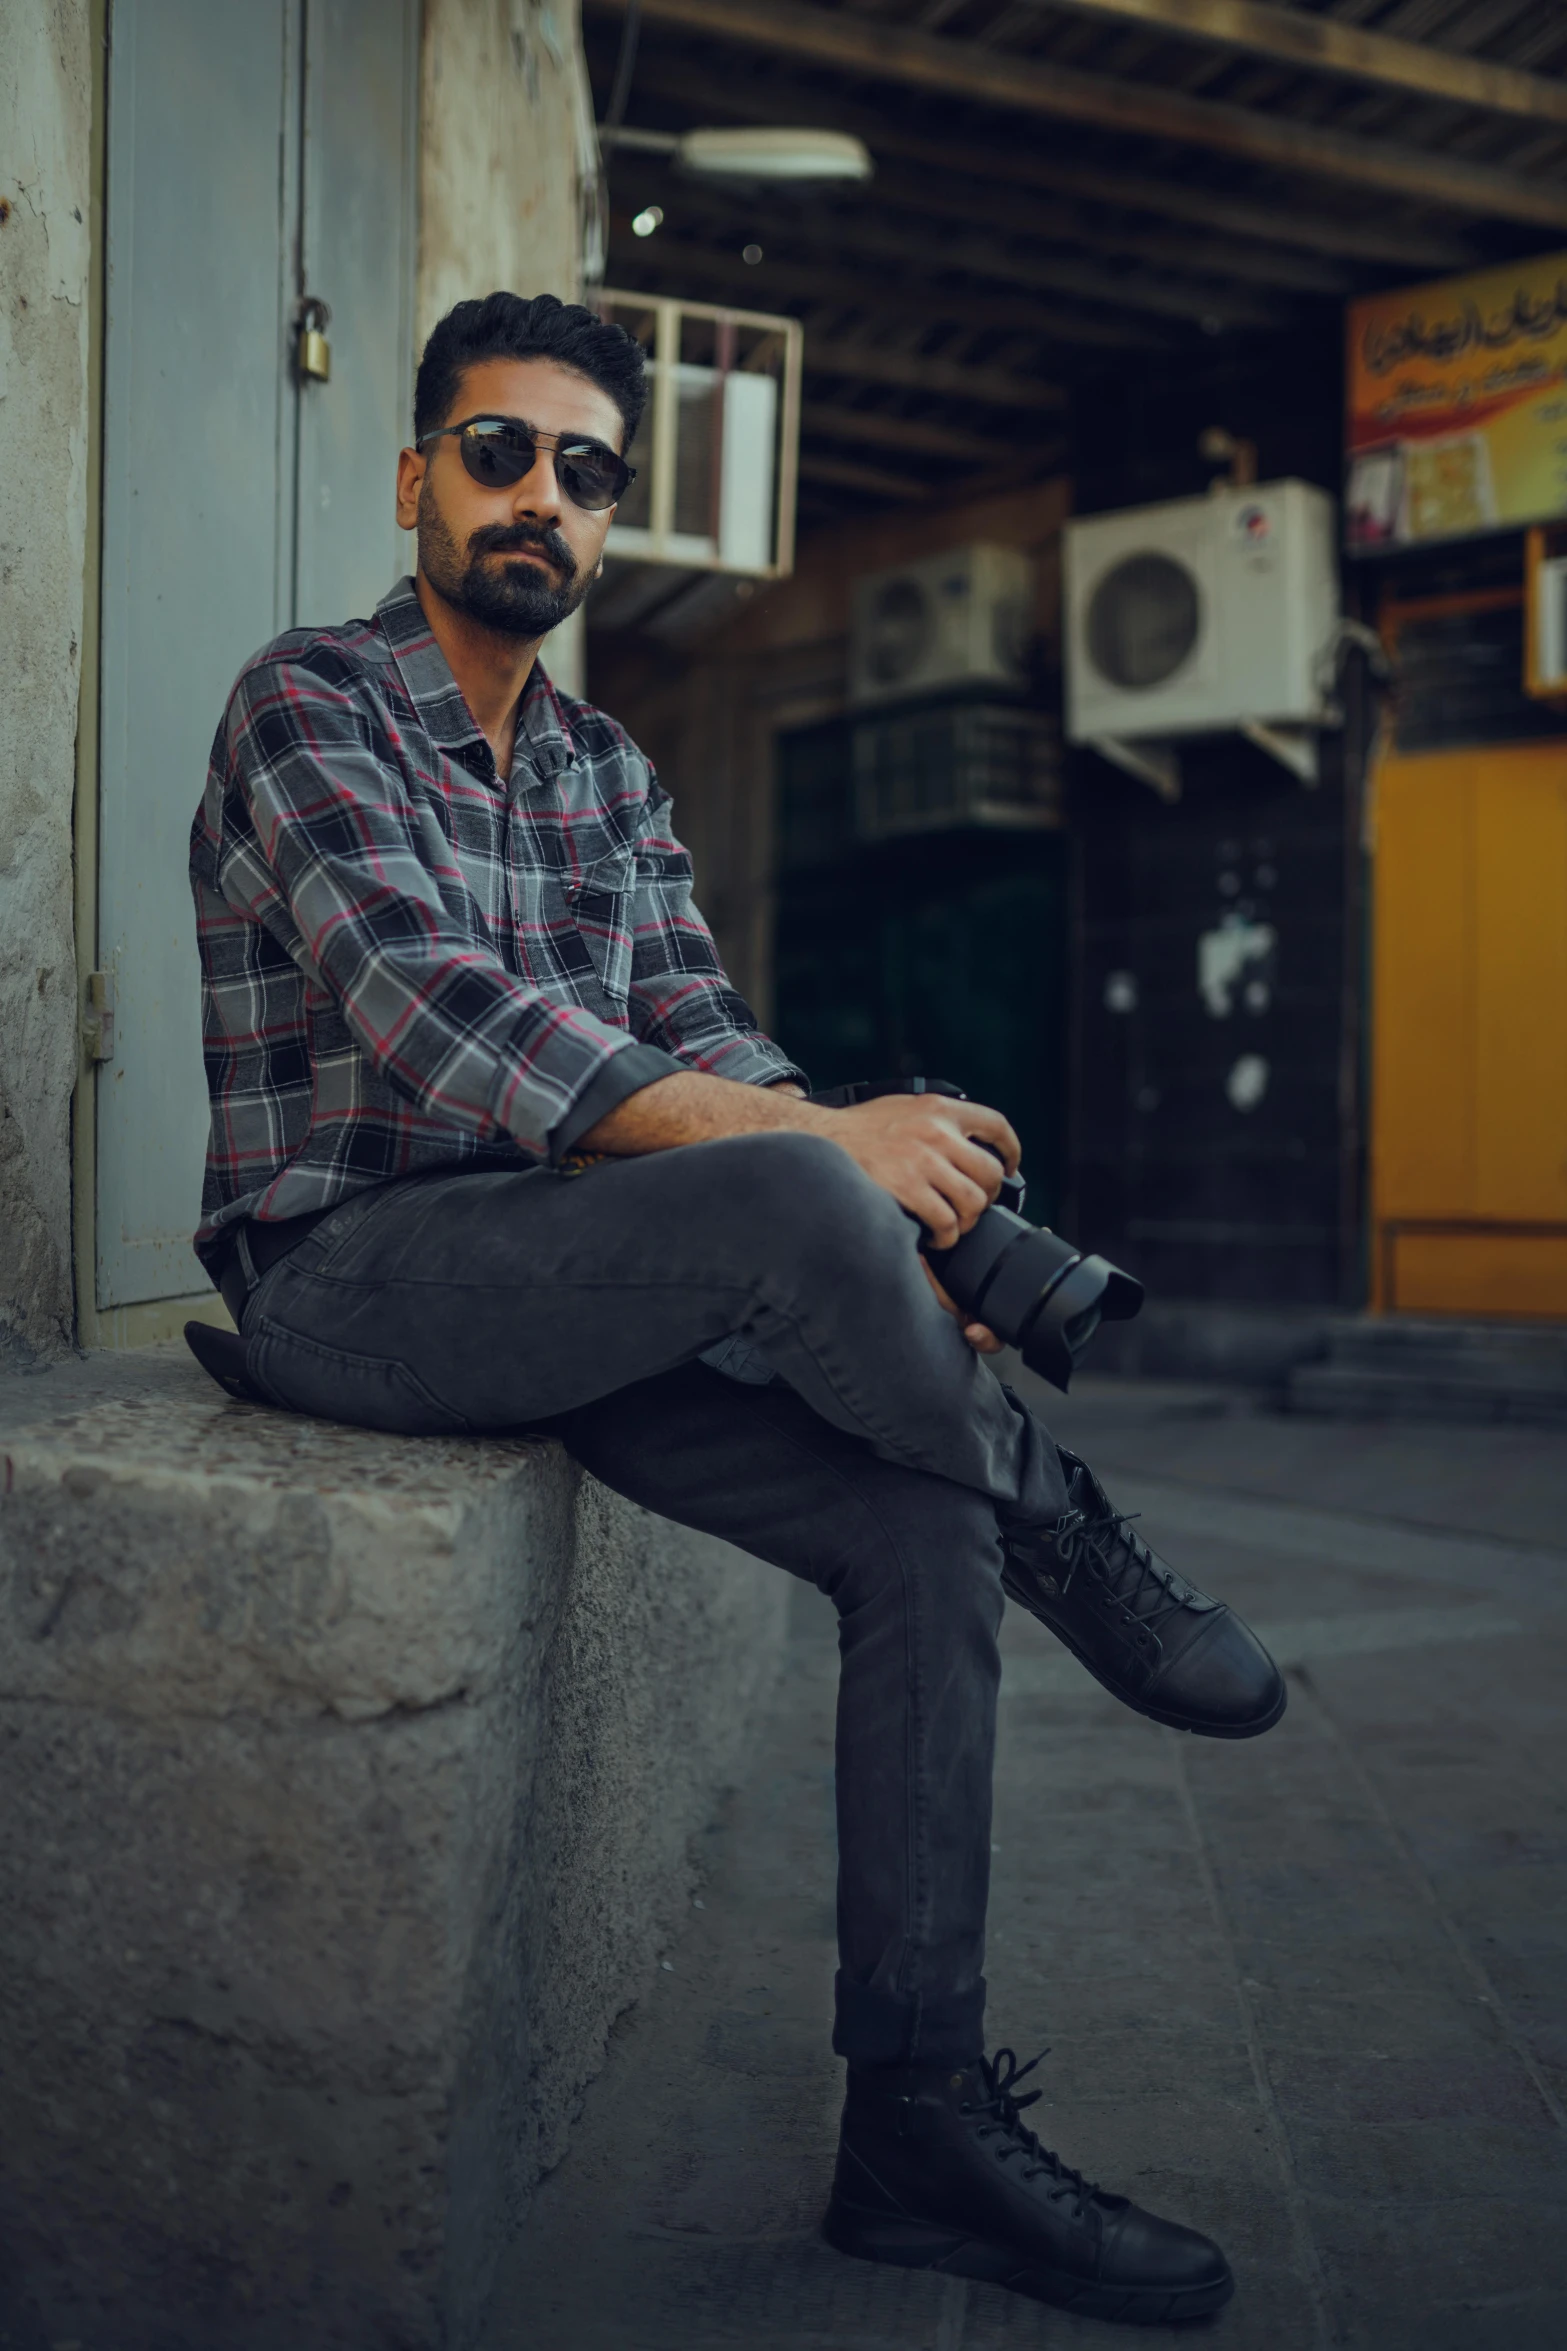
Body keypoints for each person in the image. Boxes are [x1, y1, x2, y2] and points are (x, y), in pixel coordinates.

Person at [190, 290, 1284, 2325]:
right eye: (502, 453)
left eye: (585, 473)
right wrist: (823, 1168)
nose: (542, 499)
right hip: (351, 1278)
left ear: (610, 519)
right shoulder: (308, 703)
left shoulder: (605, 769)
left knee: (910, 1514)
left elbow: (705, 1024)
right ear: (417, 471)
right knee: (804, 1172)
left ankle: (918, 2114)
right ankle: (1057, 1498)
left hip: (576, 1279)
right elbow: (436, 1017)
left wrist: (898, 1216)